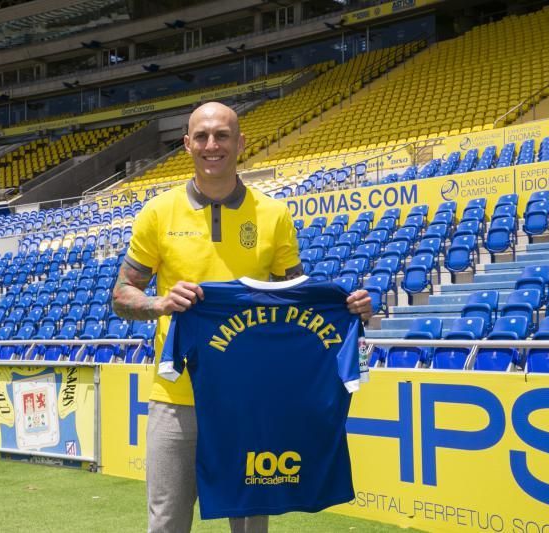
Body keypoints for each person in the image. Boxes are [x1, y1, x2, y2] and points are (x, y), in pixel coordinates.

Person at [112, 101, 372, 533]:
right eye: (202, 136)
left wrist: (349, 308)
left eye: (222, 135)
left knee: (251, 526)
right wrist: (158, 304)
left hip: (251, 400)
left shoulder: (273, 215)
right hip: (176, 399)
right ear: (187, 144)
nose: (212, 145)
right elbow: (121, 294)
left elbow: (300, 299)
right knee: (166, 523)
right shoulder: (158, 213)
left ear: (241, 142)